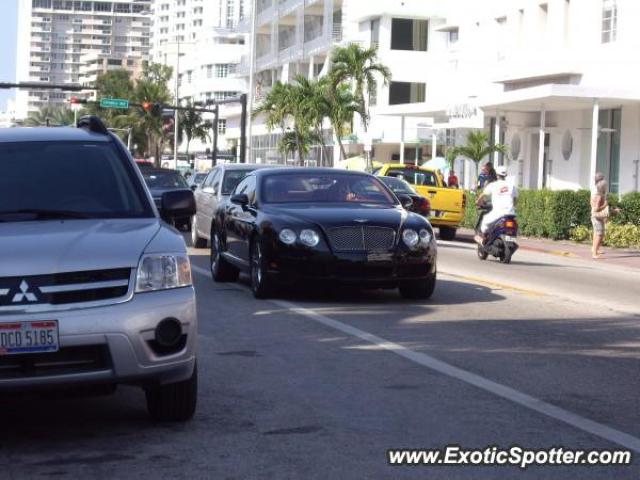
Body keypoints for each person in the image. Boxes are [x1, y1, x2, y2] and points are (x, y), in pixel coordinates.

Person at [475, 165, 518, 244]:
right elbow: (515, 200)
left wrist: (478, 202)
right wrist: (513, 207)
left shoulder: (493, 185)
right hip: (511, 214)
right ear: (506, 175)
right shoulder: (512, 186)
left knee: (485, 221)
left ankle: (483, 238)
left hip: (498, 213)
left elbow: (483, 195)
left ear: (497, 175)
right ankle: (511, 239)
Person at [591, 172, 608, 259]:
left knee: (597, 233)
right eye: (605, 186)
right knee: (599, 234)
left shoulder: (597, 193)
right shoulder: (599, 196)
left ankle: (595, 250)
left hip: (596, 216)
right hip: (597, 216)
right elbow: (597, 208)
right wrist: (605, 205)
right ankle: (595, 253)